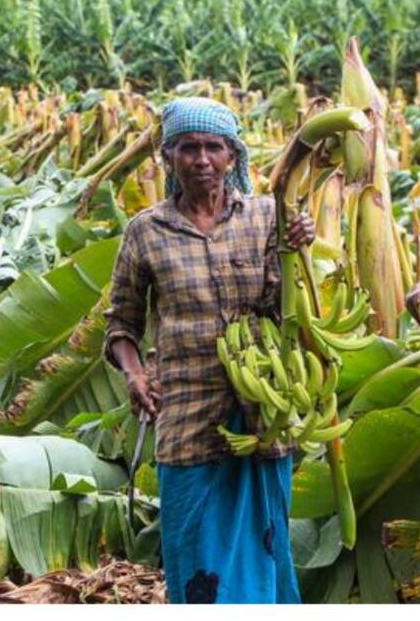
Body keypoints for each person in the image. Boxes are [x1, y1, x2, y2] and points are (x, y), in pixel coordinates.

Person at [104, 97, 315, 604]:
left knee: (266, 547)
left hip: (262, 412)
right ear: (169, 157)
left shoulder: (267, 216)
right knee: (191, 546)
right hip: (186, 414)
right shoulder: (145, 231)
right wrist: (135, 375)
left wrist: (298, 247)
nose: (202, 158)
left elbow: (285, 306)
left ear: (232, 156)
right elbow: (120, 325)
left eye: (213, 147)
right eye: (189, 147)